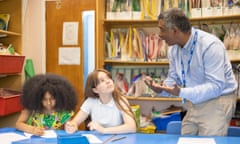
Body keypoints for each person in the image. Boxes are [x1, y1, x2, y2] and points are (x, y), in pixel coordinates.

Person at [144, 8, 238, 136]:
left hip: (218, 99)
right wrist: (160, 89)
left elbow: (215, 87)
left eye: (162, 29)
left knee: (209, 141)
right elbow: (173, 78)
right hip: (193, 100)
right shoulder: (173, 49)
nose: (160, 34)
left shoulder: (210, 45)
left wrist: (182, 92)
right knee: (186, 137)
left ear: (175, 30)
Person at [65, 69, 137, 134]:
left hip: (117, 139)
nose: (108, 81)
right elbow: (75, 122)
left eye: (109, 78)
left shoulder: (120, 100)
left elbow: (132, 127)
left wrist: (103, 130)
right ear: (95, 90)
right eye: (102, 81)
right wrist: (72, 126)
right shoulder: (90, 101)